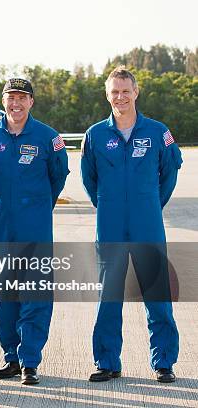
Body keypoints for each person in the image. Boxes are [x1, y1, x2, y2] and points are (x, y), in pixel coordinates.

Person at [81, 66, 182, 383]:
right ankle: (107, 361)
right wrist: (110, 205)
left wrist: (149, 203)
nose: (120, 97)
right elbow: (89, 178)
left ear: (136, 92)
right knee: (109, 295)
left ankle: (163, 362)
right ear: (107, 95)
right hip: (109, 226)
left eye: (126, 91)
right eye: (115, 92)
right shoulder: (95, 135)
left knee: (157, 295)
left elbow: (170, 173)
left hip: (147, 226)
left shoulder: (158, 132)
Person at [0, 78, 69, 385]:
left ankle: (30, 361)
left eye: (22, 97)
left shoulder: (47, 137)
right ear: (3, 101)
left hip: (35, 228)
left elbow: (58, 176)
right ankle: (11, 358)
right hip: (1, 228)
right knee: (5, 296)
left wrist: (38, 206)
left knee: (36, 295)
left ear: (31, 101)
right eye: (10, 97)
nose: (16, 103)